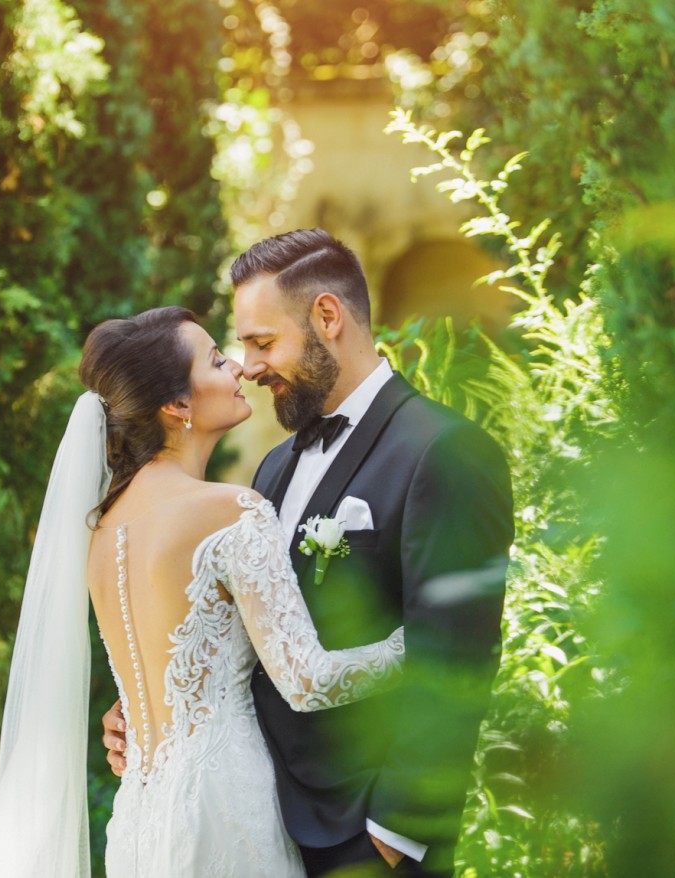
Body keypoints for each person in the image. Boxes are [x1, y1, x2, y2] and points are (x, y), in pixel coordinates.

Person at [101, 230, 513, 876]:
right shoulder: (272, 470)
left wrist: (394, 837)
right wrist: (153, 704)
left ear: (327, 317)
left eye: (263, 343)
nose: (251, 366)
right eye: (239, 348)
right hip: (256, 822)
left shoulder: (446, 453)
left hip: (366, 839)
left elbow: (459, 659)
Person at [0, 302, 408, 878]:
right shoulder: (230, 509)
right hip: (225, 810)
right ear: (177, 405)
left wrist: (121, 721)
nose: (241, 370)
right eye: (219, 361)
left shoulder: (99, 534)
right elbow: (306, 680)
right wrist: (413, 647)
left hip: (139, 821)